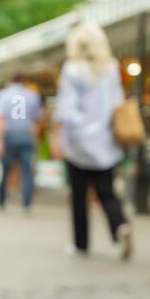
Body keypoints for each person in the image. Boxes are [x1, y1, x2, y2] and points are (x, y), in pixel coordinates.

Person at [52, 22, 132, 259]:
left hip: (78, 142)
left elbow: (65, 109)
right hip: (105, 141)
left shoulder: (72, 69)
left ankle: (81, 244)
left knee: (79, 195)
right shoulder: (111, 68)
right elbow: (117, 104)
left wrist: (59, 136)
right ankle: (120, 227)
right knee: (107, 191)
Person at [0, 74, 43, 211]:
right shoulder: (32, 95)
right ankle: (27, 203)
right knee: (27, 171)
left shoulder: (3, 95)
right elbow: (37, 119)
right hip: (26, 136)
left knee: (5, 170)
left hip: (9, 135)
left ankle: (1, 200)